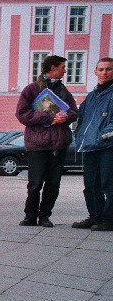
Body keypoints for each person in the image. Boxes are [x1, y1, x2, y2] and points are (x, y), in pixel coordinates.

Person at [15, 55, 78, 227]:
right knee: (35, 183)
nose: (65, 70)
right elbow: (22, 114)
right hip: (38, 144)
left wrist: (66, 117)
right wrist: (49, 117)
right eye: (63, 67)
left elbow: (74, 111)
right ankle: (30, 216)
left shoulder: (64, 91)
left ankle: (45, 215)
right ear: (52, 68)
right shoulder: (32, 89)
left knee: (53, 183)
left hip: (59, 143)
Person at [72, 57, 113, 231]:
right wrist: (80, 135)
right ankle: (95, 217)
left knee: (108, 184)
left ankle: (108, 219)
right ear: (95, 72)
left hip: (107, 146)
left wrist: (103, 136)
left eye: (109, 69)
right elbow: (82, 119)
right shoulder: (91, 96)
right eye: (101, 69)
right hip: (89, 146)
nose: (104, 73)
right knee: (90, 185)